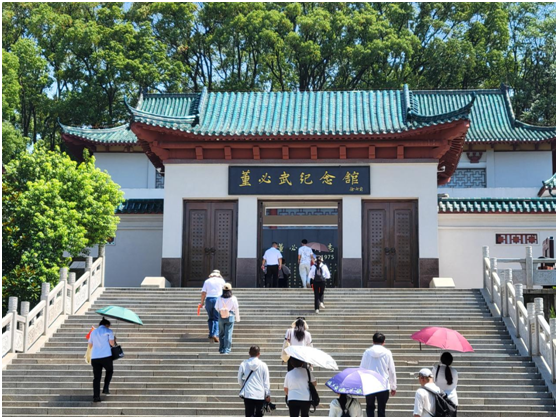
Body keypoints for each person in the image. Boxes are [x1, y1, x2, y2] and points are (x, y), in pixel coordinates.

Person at [359, 332, 397, 417]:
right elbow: (392, 370)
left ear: (373, 341)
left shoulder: (367, 352)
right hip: (383, 384)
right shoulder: (387, 353)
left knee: (369, 407)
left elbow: (362, 369)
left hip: (370, 384)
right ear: (383, 342)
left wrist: (362, 384)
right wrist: (393, 386)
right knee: (381, 409)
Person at [238, 345, 271, 417]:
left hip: (248, 393)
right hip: (260, 394)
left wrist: (244, 385)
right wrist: (267, 394)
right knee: (259, 415)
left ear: (249, 353)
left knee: (249, 414)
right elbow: (266, 381)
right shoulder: (263, 365)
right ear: (259, 354)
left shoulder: (243, 364)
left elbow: (239, 379)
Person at [88, 317, 115, 402]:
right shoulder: (109, 331)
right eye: (109, 326)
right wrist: (113, 340)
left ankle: (96, 397)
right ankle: (105, 387)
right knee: (109, 370)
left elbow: (90, 345)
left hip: (95, 357)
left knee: (96, 378)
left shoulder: (93, 332)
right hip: (106, 356)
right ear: (107, 325)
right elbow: (112, 344)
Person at [200, 270, 226, 343]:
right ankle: (215, 334)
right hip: (218, 299)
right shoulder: (222, 281)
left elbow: (203, 293)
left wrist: (202, 303)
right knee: (217, 318)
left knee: (210, 317)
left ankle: (211, 333)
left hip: (209, 299)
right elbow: (225, 291)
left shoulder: (207, 281)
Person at [215, 283, 240, 354]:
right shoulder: (233, 298)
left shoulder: (219, 298)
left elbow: (216, 307)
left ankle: (221, 349)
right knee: (228, 334)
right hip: (230, 316)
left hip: (221, 316)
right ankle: (227, 349)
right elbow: (236, 308)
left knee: (221, 333)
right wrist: (237, 318)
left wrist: (221, 312)